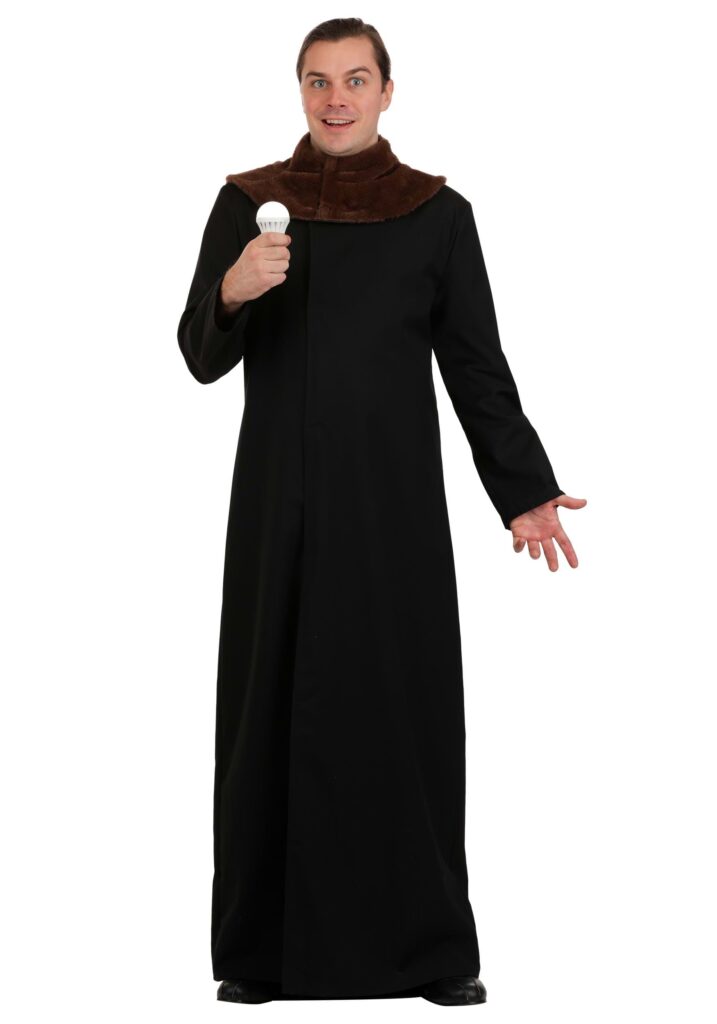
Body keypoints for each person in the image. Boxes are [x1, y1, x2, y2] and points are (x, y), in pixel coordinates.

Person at [176, 16, 586, 1008]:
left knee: (404, 711)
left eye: (355, 80)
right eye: (318, 81)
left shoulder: (436, 215)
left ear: (387, 91)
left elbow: (476, 368)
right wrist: (232, 290)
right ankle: (260, 954)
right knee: (269, 706)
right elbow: (199, 353)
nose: (336, 100)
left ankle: (428, 951)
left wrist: (524, 489)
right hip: (276, 503)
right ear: (299, 91)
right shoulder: (248, 205)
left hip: (391, 505)